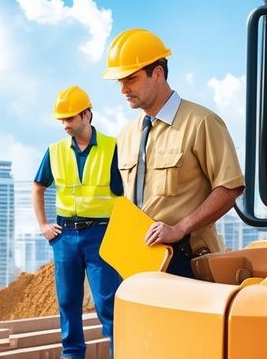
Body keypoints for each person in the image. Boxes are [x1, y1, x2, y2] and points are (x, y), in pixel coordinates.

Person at [104, 28, 244, 278]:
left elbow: (230, 188)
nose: (123, 89)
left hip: (185, 261)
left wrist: (180, 228)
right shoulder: (126, 135)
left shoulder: (201, 122)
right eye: (120, 82)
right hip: (136, 261)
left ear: (157, 73)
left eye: (131, 79)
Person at [32, 85, 124, 359]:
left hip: (101, 234)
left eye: (71, 118)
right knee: (68, 299)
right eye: (62, 120)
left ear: (87, 114)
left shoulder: (113, 147)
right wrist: (44, 225)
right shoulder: (55, 152)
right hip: (65, 235)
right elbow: (38, 186)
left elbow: (129, 193)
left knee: (107, 301)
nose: (66, 125)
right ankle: (71, 357)